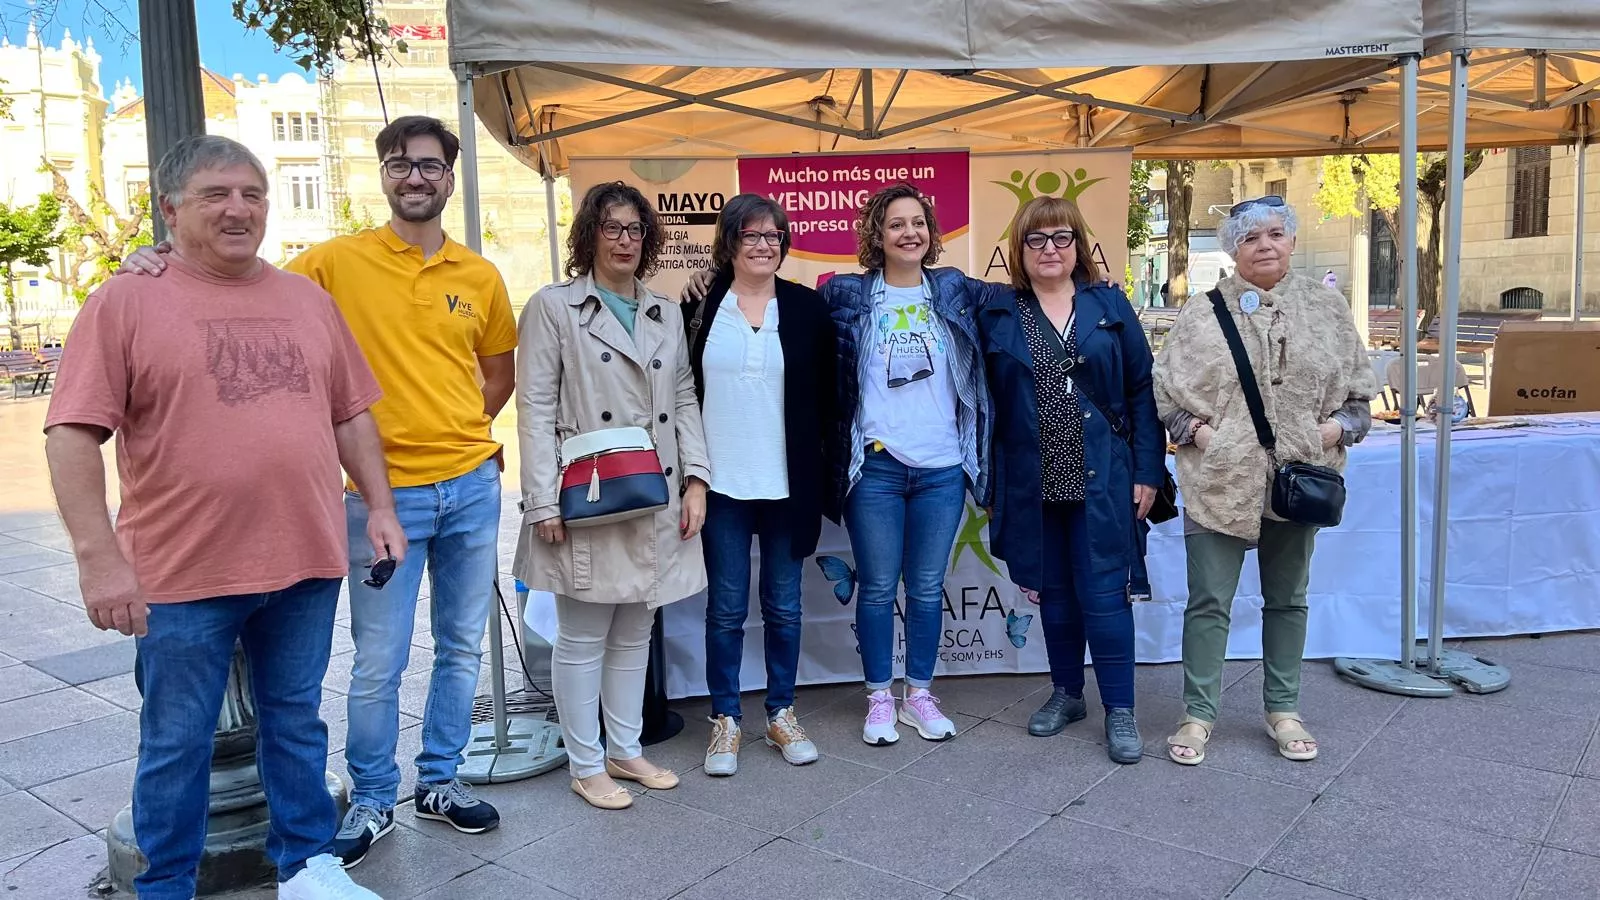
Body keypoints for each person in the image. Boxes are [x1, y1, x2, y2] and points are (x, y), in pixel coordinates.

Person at [116, 116, 515, 865]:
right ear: (384, 176)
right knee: (379, 657)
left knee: (461, 645)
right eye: (401, 165)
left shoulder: (479, 275)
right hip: (376, 496)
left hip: (470, 483)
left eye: (430, 166)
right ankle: (371, 796)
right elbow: (235, 280)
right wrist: (157, 258)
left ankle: (441, 778)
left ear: (451, 178)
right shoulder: (332, 263)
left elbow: (497, 371)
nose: (416, 177)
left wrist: (461, 429)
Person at [45, 135, 397, 900]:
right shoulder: (124, 300)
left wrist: (379, 507)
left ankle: (308, 867)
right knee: (176, 743)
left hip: (305, 560)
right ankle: (165, 885)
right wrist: (98, 559)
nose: (239, 208)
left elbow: (351, 415)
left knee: (296, 723)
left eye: (252, 193)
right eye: (216, 194)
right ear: (170, 208)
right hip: (180, 574)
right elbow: (72, 433)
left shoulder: (308, 298)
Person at [1153, 195, 1376, 766]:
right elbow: (1165, 396)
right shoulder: (1201, 314)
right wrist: (1205, 438)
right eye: (1251, 238)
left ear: (1293, 241)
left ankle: (1283, 709)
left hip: (1299, 478)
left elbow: (1359, 399)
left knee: (1288, 599)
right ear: (1233, 249)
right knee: (1208, 601)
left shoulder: (1327, 310)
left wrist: (1332, 433)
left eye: (1275, 234)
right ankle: (1198, 714)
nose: (1265, 246)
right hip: (1219, 481)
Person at [515, 181, 711, 809]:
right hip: (589, 493)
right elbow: (536, 405)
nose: (625, 240)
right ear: (589, 235)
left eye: (635, 230)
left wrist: (696, 479)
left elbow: (683, 395)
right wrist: (543, 501)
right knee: (582, 633)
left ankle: (625, 750)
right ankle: (584, 762)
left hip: (654, 490)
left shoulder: (663, 311)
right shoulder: (554, 307)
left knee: (636, 627)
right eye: (612, 228)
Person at [976, 197, 1163, 764]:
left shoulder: (1108, 306)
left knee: (1105, 596)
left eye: (1061, 238)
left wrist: (1149, 471)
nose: (1050, 249)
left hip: (1104, 476)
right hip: (1033, 479)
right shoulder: (1000, 313)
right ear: (1019, 250)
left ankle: (1121, 709)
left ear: (1079, 245)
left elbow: (1141, 390)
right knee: (1055, 596)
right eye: (1036, 240)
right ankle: (1067, 694)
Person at [684, 194, 836, 776]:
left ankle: (780, 713)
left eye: (774, 235)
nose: (764, 244)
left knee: (785, 607)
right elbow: (680, 391)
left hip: (786, 483)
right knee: (724, 608)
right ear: (729, 241)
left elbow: (827, 398)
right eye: (750, 234)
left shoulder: (805, 308)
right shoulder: (699, 305)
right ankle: (725, 719)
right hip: (719, 482)